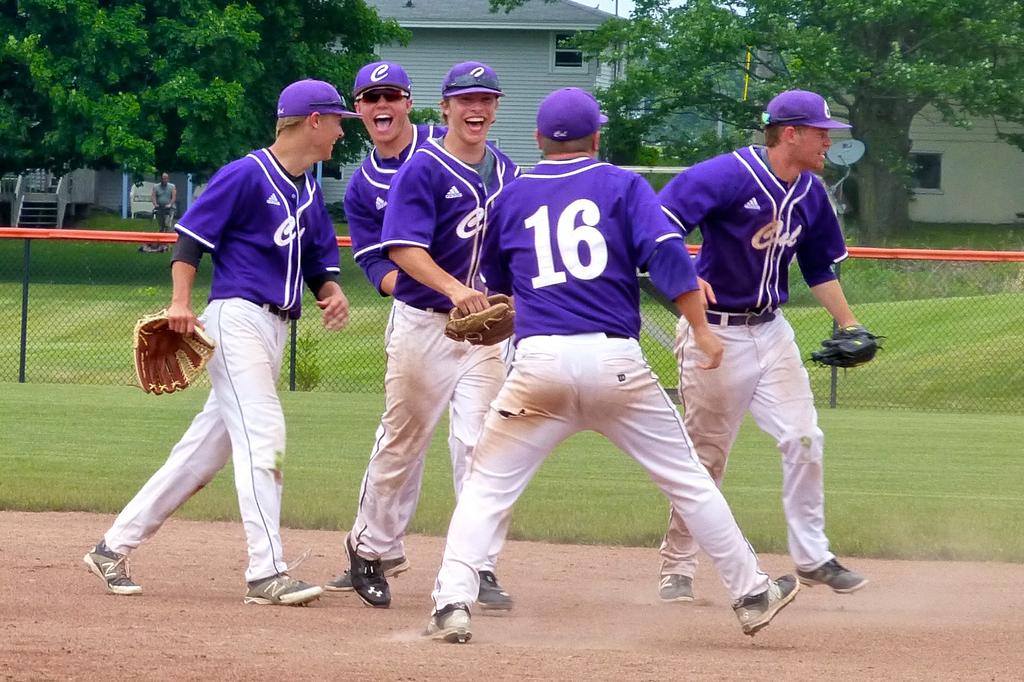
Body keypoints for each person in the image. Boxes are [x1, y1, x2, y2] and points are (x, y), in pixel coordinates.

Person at [425, 87, 799, 644]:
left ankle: (451, 606)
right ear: (597, 137)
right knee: (689, 482)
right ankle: (750, 593)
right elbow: (669, 256)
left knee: (484, 488)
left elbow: (501, 290)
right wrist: (700, 328)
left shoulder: (509, 196)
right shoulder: (622, 185)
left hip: (537, 365)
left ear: (537, 140)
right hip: (615, 364)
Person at [83, 79, 356, 606]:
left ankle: (111, 546)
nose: (343, 129)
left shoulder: (307, 190)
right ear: (313, 121)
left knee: (201, 455)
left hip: (275, 328)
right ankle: (266, 571)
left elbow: (320, 262)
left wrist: (331, 292)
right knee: (264, 432)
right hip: (236, 319)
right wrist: (181, 302)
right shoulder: (245, 175)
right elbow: (191, 240)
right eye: (337, 119)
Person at [654, 89, 869, 603]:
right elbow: (658, 222)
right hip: (716, 332)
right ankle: (677, 565)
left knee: (804, 439)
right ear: (789, 133)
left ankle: (813, 556)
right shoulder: (726, 175)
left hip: (772, 330)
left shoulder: (811, 193)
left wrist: (849, 323)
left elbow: (818, 266)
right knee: (705, 459)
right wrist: (682, 275)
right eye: (821, 133)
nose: (828, 142)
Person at [343, 61, 518, 610]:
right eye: (465, 100)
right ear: (444, 108)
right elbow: (394, 255)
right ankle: (369, 549)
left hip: (485, 330)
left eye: (486, 99)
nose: (476, 108)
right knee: (404, 440)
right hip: (424, 323)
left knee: (481, 445)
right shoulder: (419, 172)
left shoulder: (507, 171)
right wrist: (452, 291)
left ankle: (476, 563)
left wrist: (515, 303)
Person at [140, 172, 177, 253]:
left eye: (166, 178)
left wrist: (170, 204)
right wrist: (155, 204)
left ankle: (166, 244)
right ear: (161, 179)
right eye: (163, 178)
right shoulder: (156, 186)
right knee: (161, 226)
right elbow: (153, 196)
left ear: (168, 179)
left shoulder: (172, 186)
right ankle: (160, 243)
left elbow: (174, 197)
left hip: (169, 209)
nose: (165, 180)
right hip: (160, 209)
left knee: (167, 225)